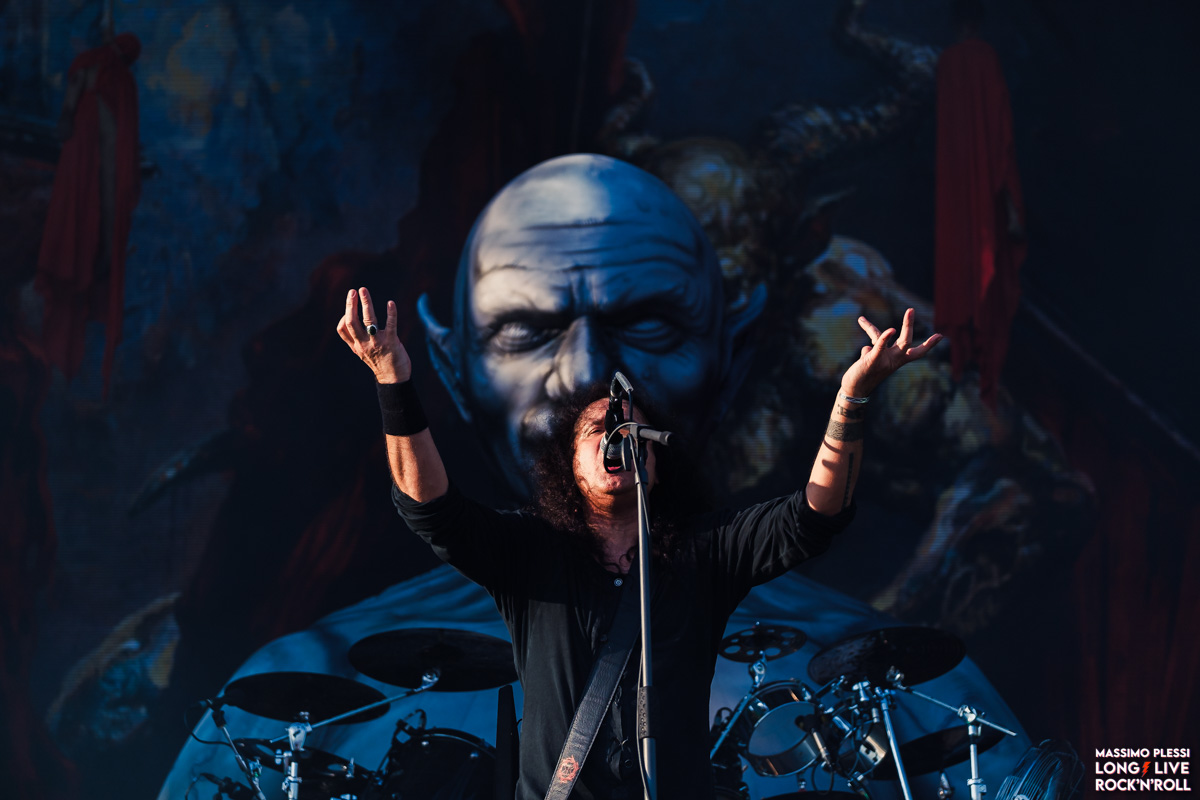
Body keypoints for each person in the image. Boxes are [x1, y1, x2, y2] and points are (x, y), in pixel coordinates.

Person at [337, 271, 941, 797]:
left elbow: (816, 514)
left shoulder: (708, 550)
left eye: (631, 429)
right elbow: (430, 508)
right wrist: (393, 383)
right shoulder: (530, 551)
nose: (617, 435)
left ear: (656, 458)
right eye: (598, 430)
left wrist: (852, 398)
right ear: (568, 467)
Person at [36, 31, 142, 397]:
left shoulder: (101, 72)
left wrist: (68, 115)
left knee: (92, 222)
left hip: (93, 171)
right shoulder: (114, 79)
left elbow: (76, 95)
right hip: (89, 168)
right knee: (91, 221)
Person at [933, 0, 1025, 407]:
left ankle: (964, 362)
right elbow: (1000, 133)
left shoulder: (949, 63)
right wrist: (1010, 205)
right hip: (980, 183)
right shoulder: (980, 60)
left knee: (964, 269)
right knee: (985, 271)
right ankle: (979, 368)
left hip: (957, 186)